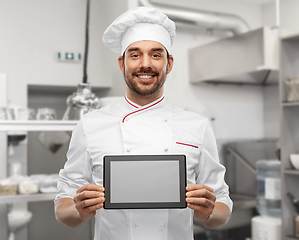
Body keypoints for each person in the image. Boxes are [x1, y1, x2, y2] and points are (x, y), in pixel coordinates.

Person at [54, 6, 232, 240]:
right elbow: (62, 208)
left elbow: (222, 207)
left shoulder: (197, 125)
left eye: (156, 55)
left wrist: (208, 211)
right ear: (122, 64)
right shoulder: (90, 125)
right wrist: (78, 208)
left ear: (168, 64)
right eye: (135, 54)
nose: (145, 64)